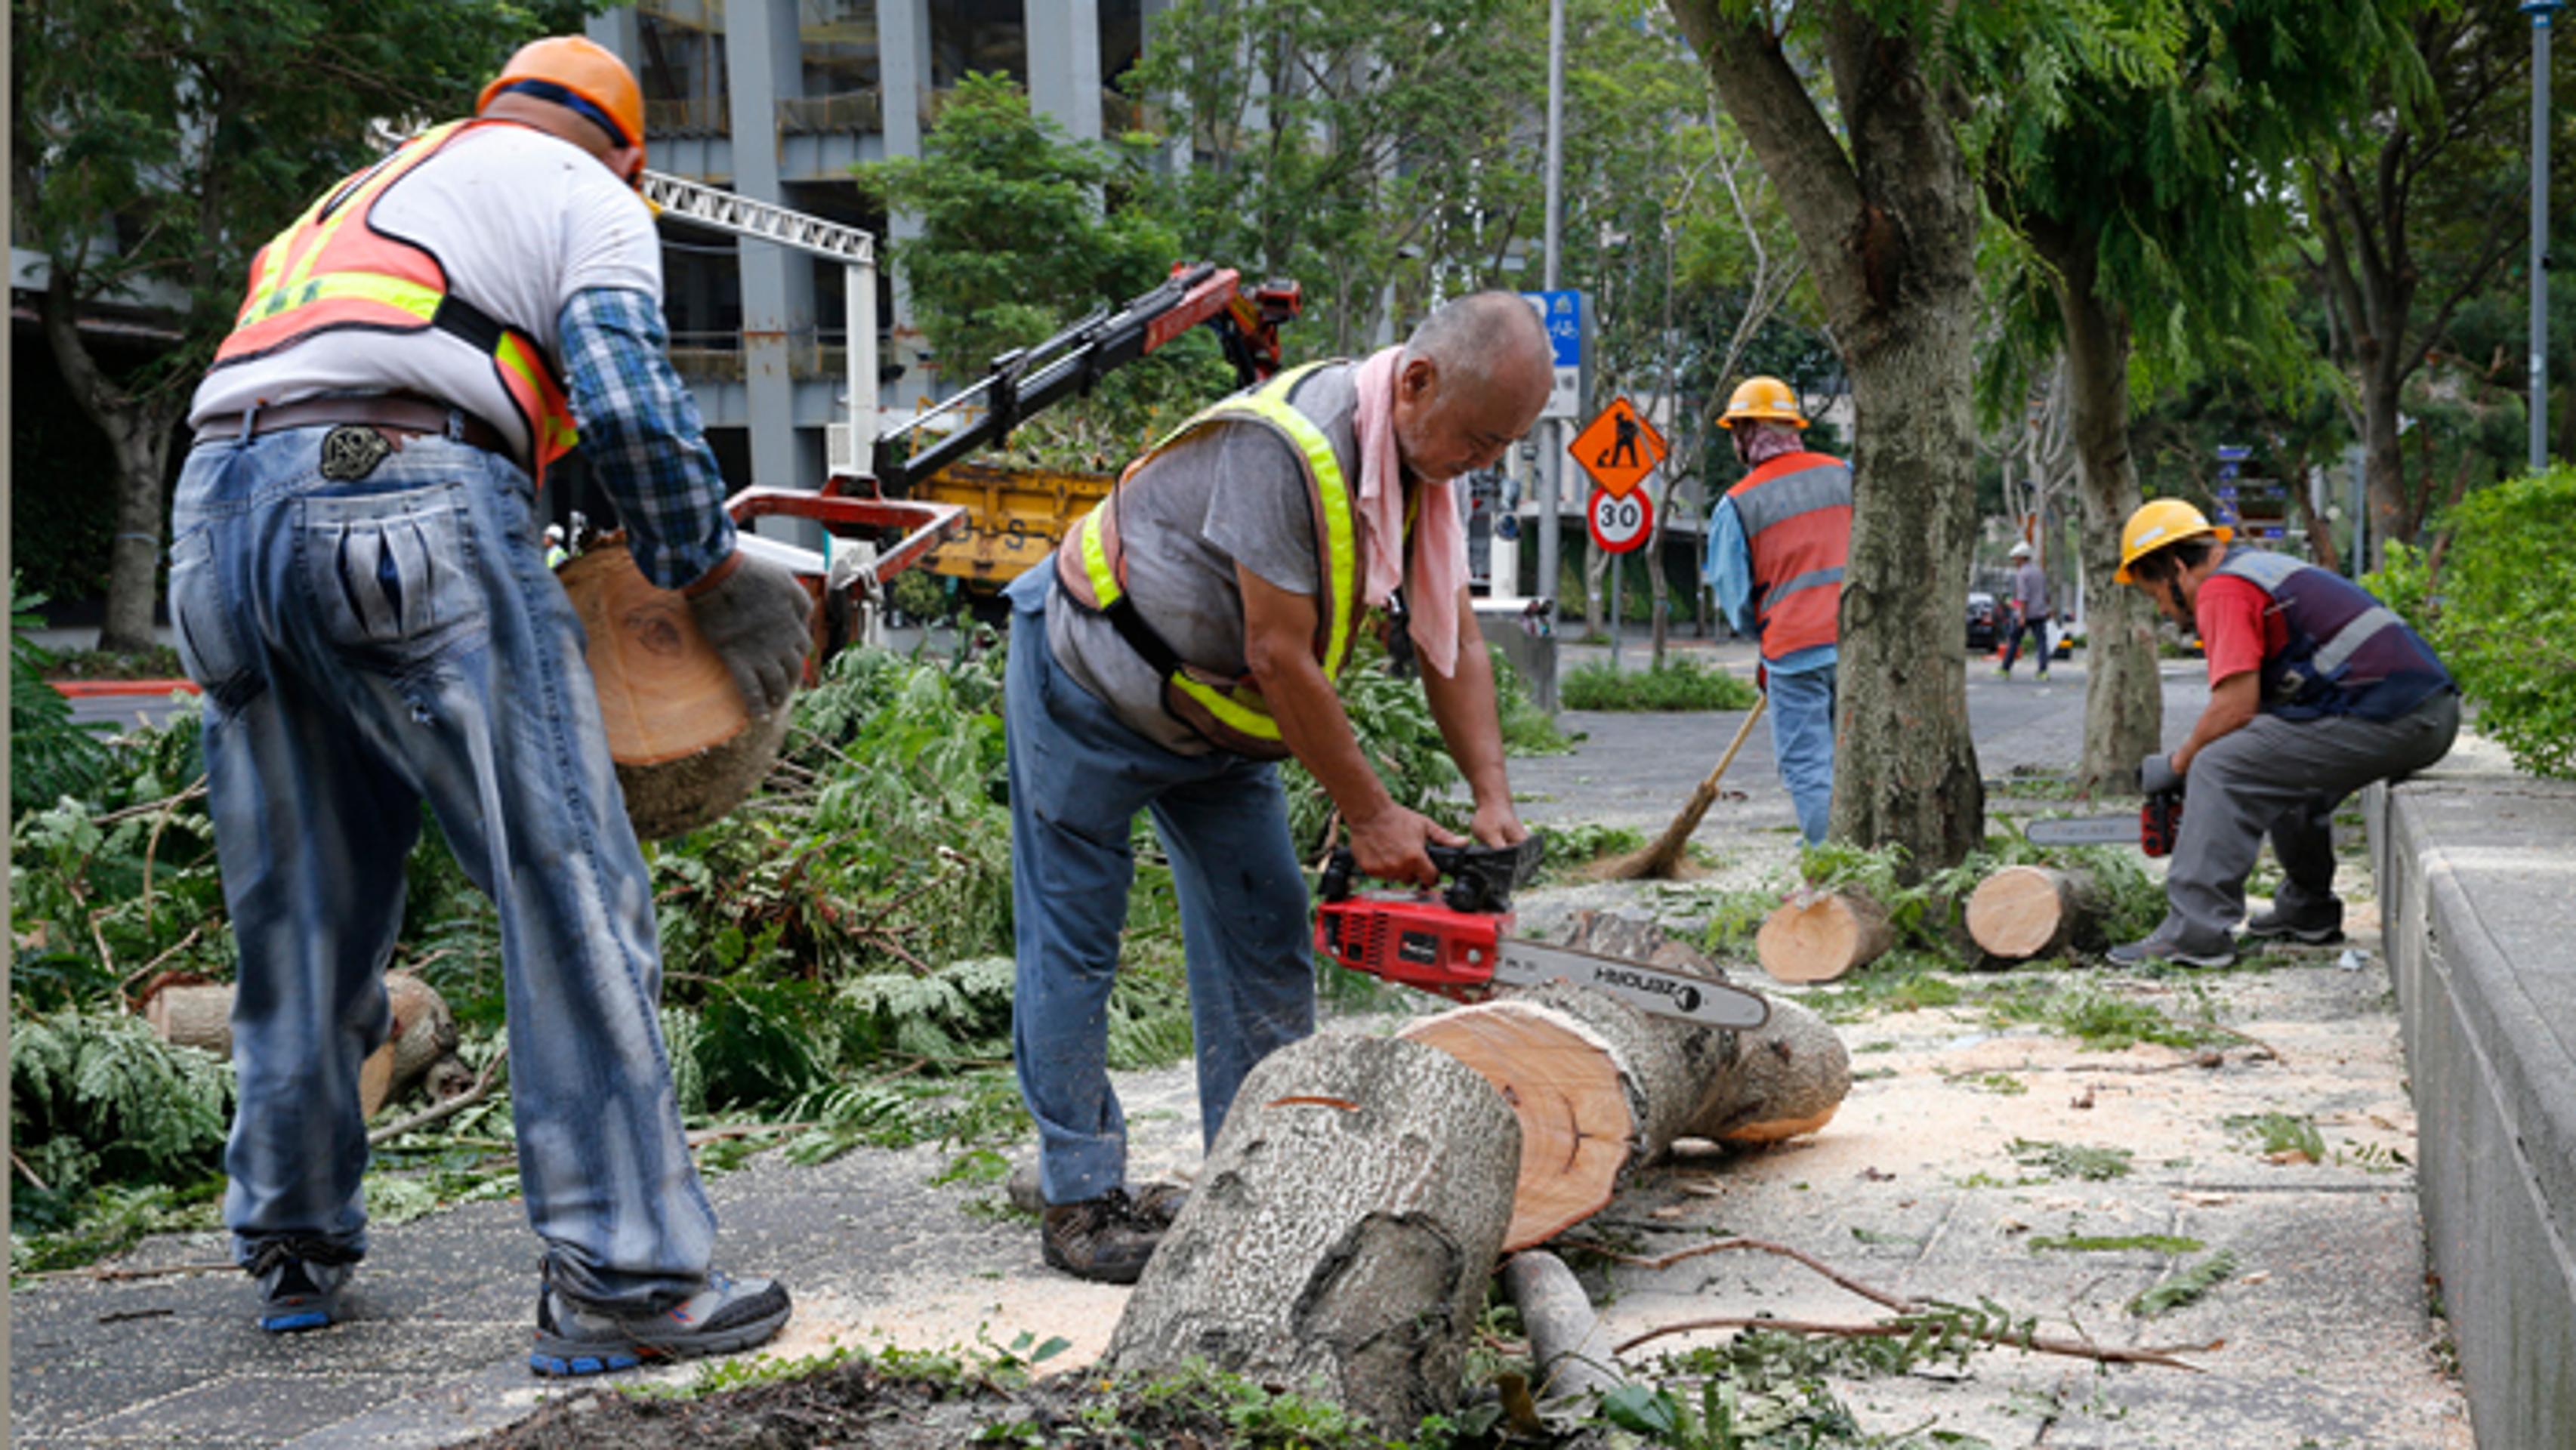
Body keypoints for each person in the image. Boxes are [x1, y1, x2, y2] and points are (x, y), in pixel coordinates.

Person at [169, 37, 809, 1374]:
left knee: (298, 910)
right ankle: (629, 1273)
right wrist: (709, 571)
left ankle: (290, 1239)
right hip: (391, 478)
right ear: (629, 152)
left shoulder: (359, 199)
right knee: (564, 880)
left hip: (222, 511)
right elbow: (629, 398)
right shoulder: (585, 193)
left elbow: (345, 407)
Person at [1004, 292, 1553, 1283]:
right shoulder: (1286, 444)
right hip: (1088, 683)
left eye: (1500, 445)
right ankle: (1078, 1196)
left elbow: (1452, 636)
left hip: (1222, 724)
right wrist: (1371, 816)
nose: (1483, 459)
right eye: (1479, 437)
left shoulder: (1427, 460)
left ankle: (1256, 1169)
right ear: (1418, 381)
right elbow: (1279, 654)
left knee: (1263, 937)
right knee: (1076, 940)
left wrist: (1490, 797)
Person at [2105, 500, 2458, 967]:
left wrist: (2179, 765)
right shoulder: (2258, 570)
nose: (2167, 611)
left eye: (2158, 596)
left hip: (2395, 717)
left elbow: (2234, 707)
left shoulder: (2221, 590)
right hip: (2423, 714)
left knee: (2220, 765)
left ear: (2176, 567)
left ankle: (2194, 931)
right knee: (2275, 757)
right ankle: (2307, 909)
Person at [1702, 376, 1849, 846]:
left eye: (1735, 432)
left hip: (1794, 652)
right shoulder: (1843, 474)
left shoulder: (1737, 503)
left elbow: (1735, 599)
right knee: (1858, 757)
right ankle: (1856, 854)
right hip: (1860, 643)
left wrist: (1765, 637)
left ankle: (1832, 862)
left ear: (1746, 433)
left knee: (1809, 764)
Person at [1998, 539, 2050, 680]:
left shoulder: (2022, 574)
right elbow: (2046, 594)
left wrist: (2021, 615)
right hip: (2039, 613)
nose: (2014, 560)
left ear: (2021, 557)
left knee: (2014, 640)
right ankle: (2043, 670)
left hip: (2025, 613)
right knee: (2041, 642)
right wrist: (2047, 609)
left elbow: (2023, 597)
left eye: (2015, 557)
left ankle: (2005, 668)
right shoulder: (2039, 572)